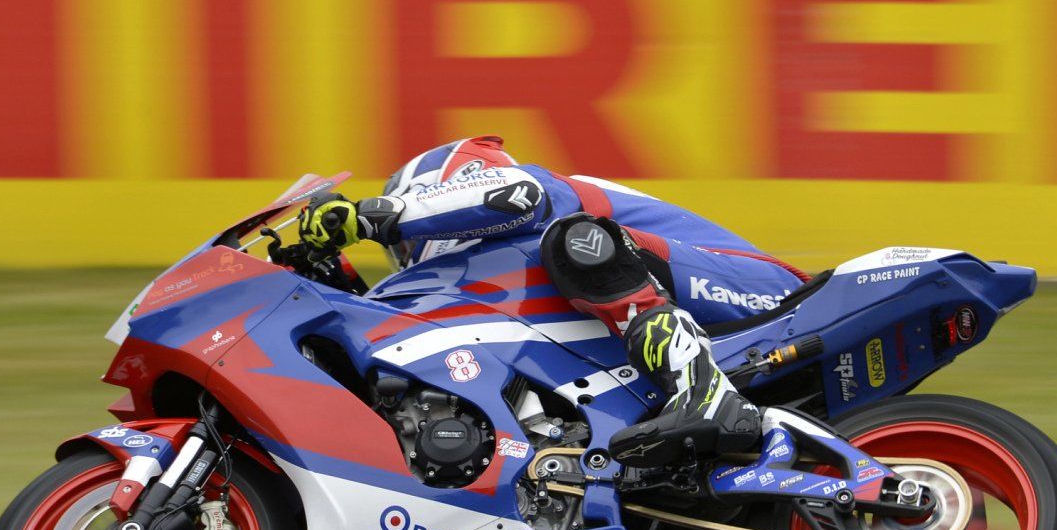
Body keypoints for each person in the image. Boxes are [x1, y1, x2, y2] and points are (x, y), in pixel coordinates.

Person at [296, 136, 806, 467]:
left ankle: (705, 392)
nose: (408, 257)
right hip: (698, 304)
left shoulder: (535, 190)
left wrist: (376, 215)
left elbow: (515, 194)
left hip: (765, 291)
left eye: (407, 244)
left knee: (573, 239)